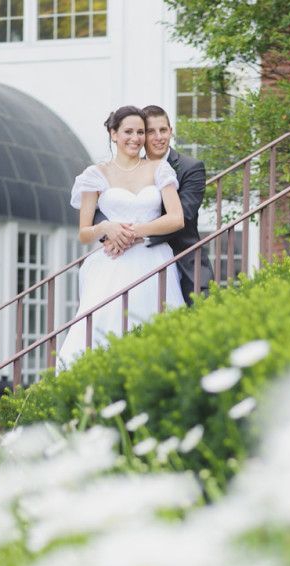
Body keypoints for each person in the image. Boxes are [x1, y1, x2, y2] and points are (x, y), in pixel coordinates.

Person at [58, 106, 185, 370]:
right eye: (128, 131)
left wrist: (133, 232)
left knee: (153, 330)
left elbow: (176, 218)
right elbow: (84, 232)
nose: (135, 138)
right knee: (103, 331)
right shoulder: (95, 175)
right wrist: (107, 228)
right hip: (111, 265)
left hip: (153, 262)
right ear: (113, 133)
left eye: (140, 132)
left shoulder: (159, 169)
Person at [99, 105, 211, 306]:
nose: (159, 137)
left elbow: (183, 216)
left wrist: (128, 234)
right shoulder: (129, 167)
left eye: (163, 130)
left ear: (171, 131)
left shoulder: (190, 168)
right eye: (151, 131)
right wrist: (109, 231)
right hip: (131, 261)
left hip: (182, 260)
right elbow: (100, 208)